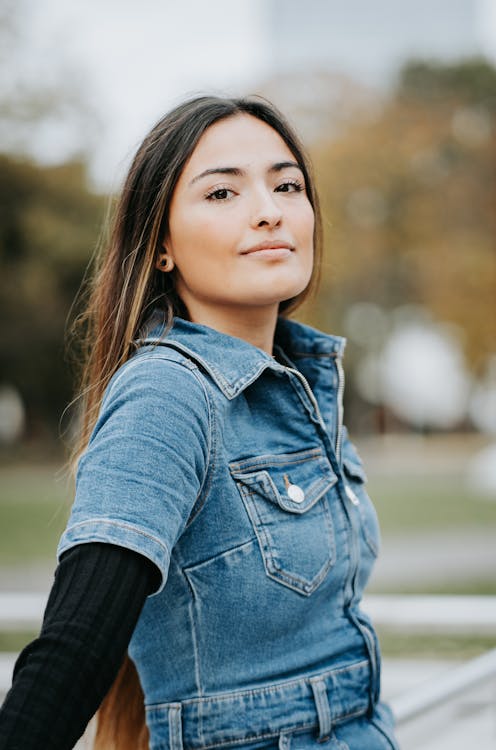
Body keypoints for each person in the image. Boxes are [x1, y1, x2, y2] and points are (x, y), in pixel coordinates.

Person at [0, 94, 399, 750]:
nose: (269, 210)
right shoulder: (167, 395)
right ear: (160, 246)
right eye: (222, 194)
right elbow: (76, 645)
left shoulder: (298, 386)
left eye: (287, 184)